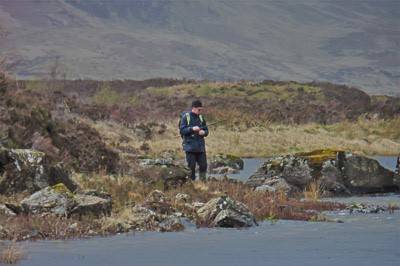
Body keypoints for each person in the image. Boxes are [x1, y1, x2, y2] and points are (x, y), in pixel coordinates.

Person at [179, 100, 209, 181]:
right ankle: (191, 184)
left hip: (200, 147)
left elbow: (206, 130)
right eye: (198, 109)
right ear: (193, 108)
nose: (200, 111)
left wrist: (204, 132)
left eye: (201, 109)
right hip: (190, 147)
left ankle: (203, 184)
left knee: (203, 166)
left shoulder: (201, 118)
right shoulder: (186, 117)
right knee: (191, 167)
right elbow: (182, 130)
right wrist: (192, 129)